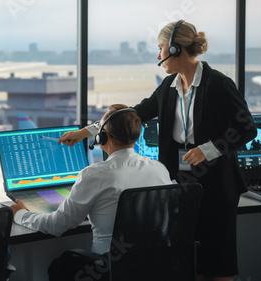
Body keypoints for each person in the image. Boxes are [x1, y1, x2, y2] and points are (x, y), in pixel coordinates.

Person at [58, 20, 257, 281]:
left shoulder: (218, 83)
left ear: (175, 50)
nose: (158, 55)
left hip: (217, 184)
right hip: (180, 182)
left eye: (161, 48)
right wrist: (85, 132)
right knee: (187, 260)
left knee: (217, 264)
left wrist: (208, 150)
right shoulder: (169, 87)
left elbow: (246, 128)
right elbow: (130, 114)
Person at [11, 104, 173, 280]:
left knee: (59, 266)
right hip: (155, 267)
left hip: (109, 269)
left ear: (104, 137)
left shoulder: (94, 175)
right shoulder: (160, 169)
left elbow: (56, 225)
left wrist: (21, 214)